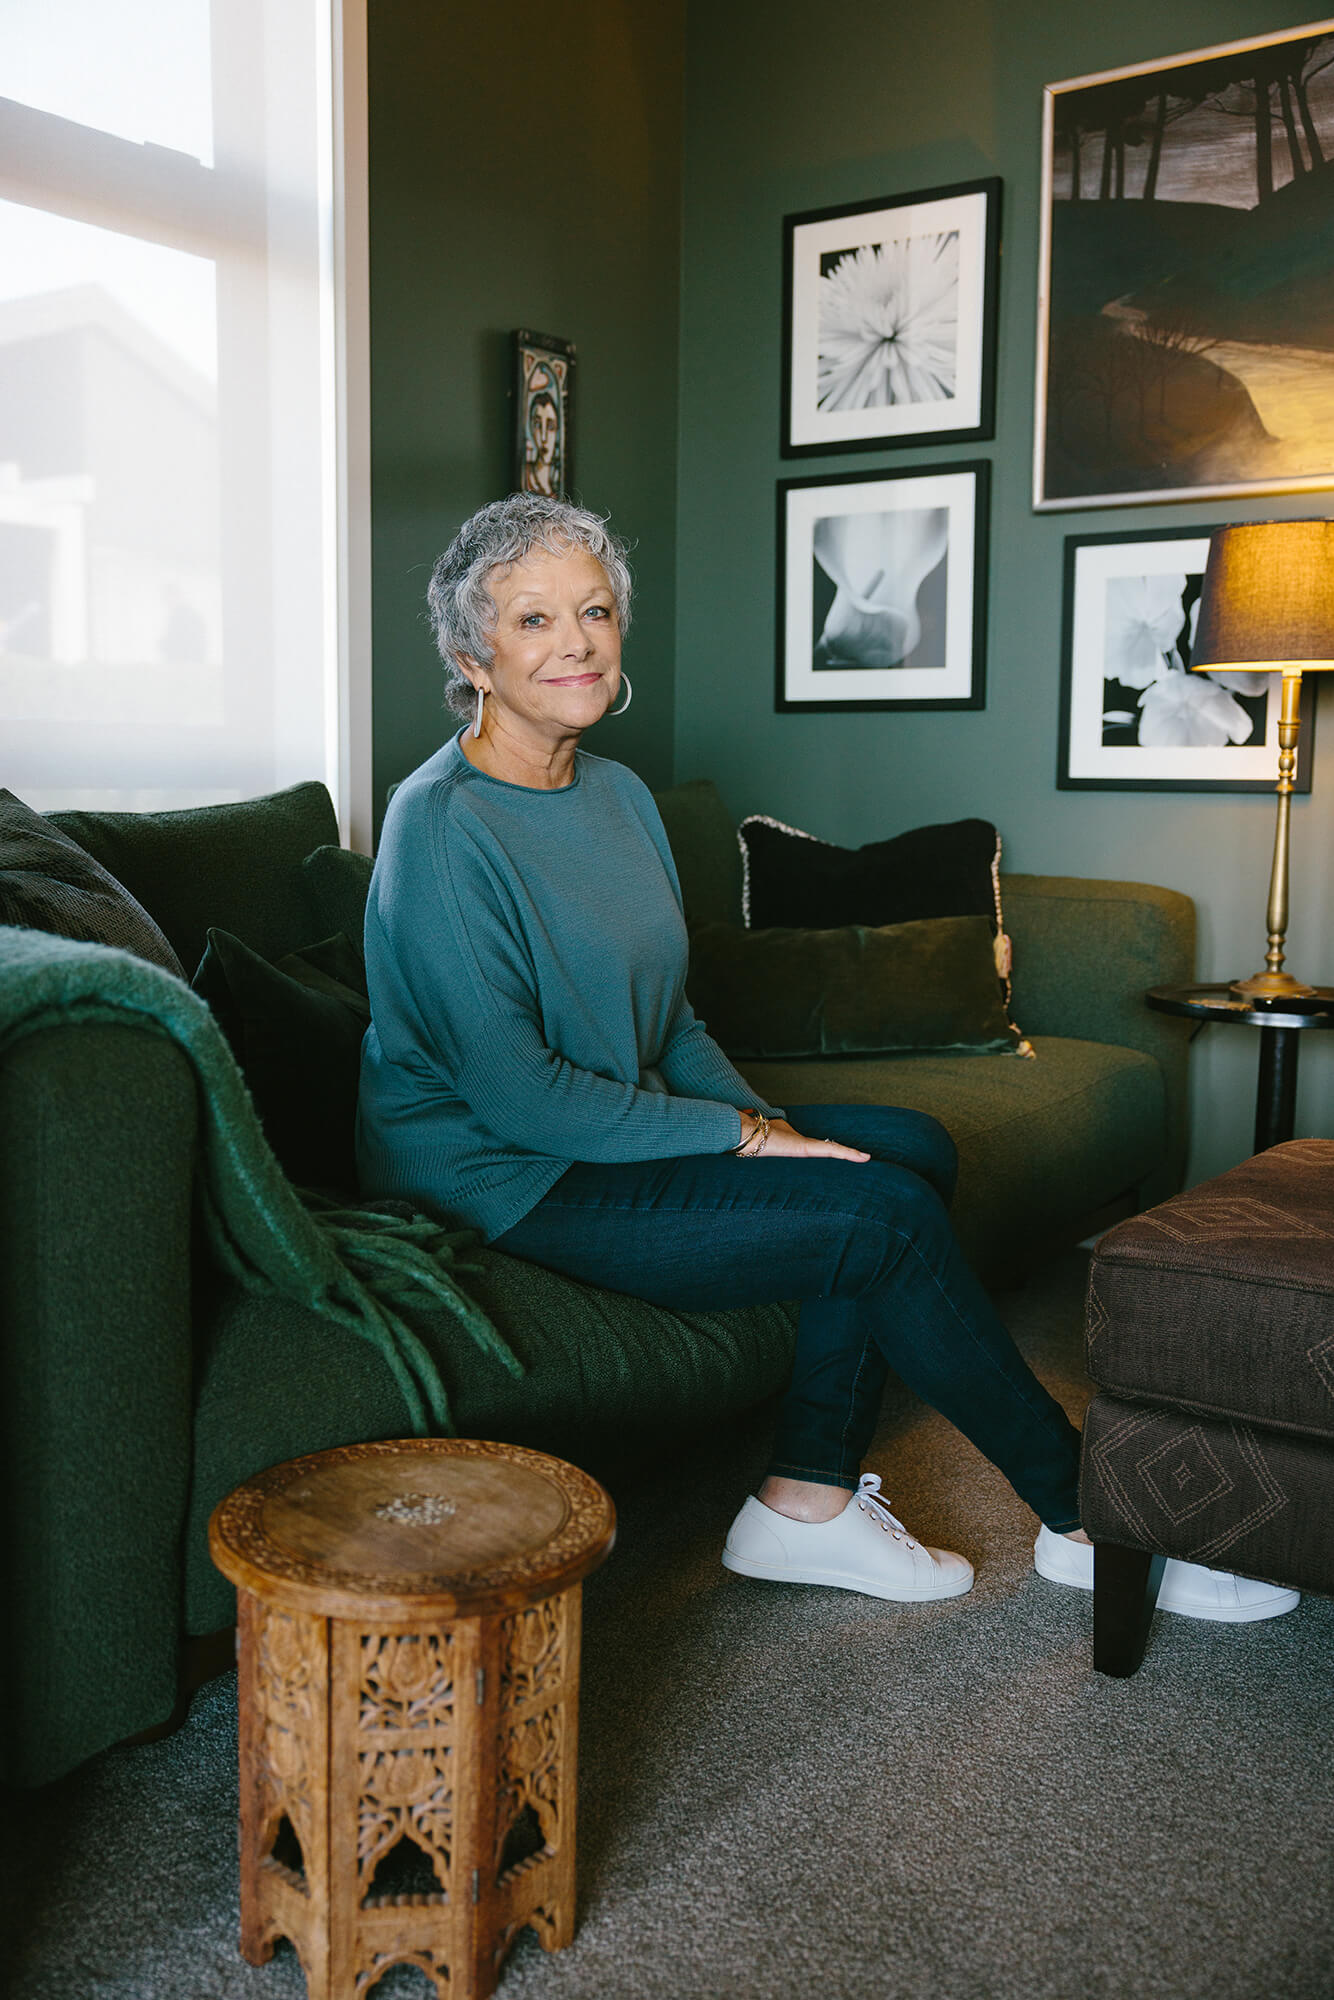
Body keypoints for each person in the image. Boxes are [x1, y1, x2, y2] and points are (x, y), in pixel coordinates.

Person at [357, 493, 1298, 1626]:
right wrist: (752, 1138)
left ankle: (803, 1497)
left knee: (902, 1147)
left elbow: (671, 1024)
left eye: (594, 610)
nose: (575, 642)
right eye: (531, 620)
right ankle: (1092, 1516)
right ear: (471, 654)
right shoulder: (440, 823)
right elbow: (518, 1094)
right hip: (502, 1171)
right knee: (879, 1216)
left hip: (607, 1123)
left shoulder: (614, 795)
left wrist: (778, 1134)